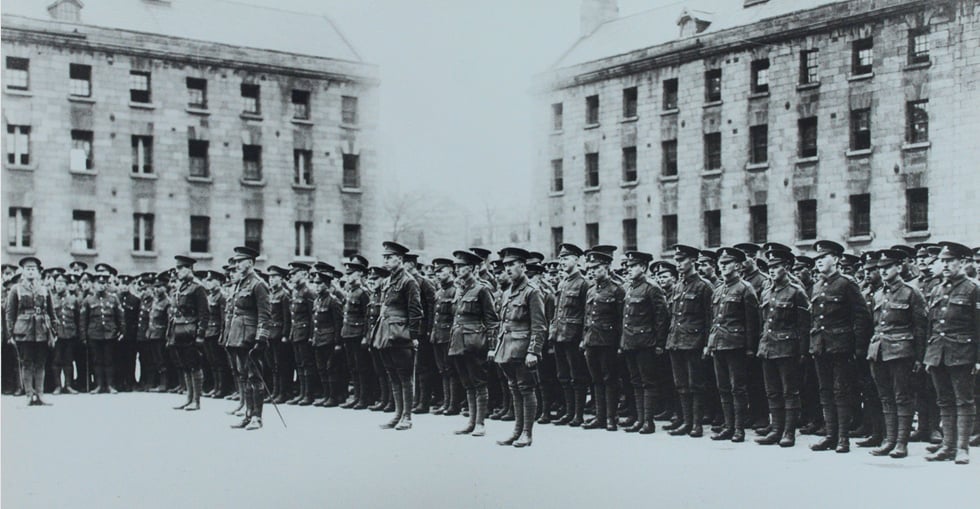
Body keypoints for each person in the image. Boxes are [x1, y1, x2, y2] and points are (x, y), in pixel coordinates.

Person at [808, 240, 873, 454]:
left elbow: (861, 317)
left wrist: (859, 348)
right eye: (816, 259)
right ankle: (830, 436)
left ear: (835, 259)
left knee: (841, 392)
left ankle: (843, 438)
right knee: (825, 392)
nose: (818, 262)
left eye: (823, 258)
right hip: (820, 346)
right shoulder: (816, 286)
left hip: (841, 347)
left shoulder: (847, 283)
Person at [866, 249, 927, 458]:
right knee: (886, 397)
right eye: (880, 268)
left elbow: (920, 328)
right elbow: (875, 325)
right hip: (879, 350)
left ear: (899, 268)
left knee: (902, 396)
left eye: (887, 267)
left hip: (902, 351)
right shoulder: (878, 294)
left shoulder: (911, 292)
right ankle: (889, 440)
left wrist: (919, 357)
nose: (882, 271)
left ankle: (901, 443)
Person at [923, 242, 979, 464]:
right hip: (938, 352)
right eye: (942, 261)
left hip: (962, 352)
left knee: (964, 400)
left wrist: (978, 359)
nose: (944, 265)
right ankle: (947, 446)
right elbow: (931, 325)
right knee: (944, 401)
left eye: (950, 261)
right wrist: (929, 355)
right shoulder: (937, 289)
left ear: (963, 262)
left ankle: (962, 448)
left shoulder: (973, 289)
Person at [491, 247, 546, 448]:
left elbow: (539, 325)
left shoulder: (532, 291)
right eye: (505, 265)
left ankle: (526, 433)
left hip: (523, 349)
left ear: (523, 266)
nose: (507, 269)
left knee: (526, 388)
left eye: (511, 265)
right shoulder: (507, 293)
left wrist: (534, 350)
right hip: (507, 347)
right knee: (514, 388)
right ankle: (516, 430)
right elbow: (503, 322)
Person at [756, 249, 810, 447]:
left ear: (786, 268)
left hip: (788, 348)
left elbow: (804, 325)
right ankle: (776, 429)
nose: (771, 271)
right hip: (768, 347)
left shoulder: (796, 292)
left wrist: (803, 352)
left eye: (776, 267)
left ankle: (789, 432)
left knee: (790, 391)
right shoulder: (766, 291)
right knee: (772, 391)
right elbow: (764, 321)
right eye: (769, 267)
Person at [706, 247, 760, 443]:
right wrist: (710, 343)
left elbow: (753, 322)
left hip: (736, 345)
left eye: (726, 263)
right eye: (720, 264)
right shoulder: (719, 289)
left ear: (737, 266)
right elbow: (713, 320)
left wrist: (749, 348)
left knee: (738, 388)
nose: (722, 267)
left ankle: (739, 429)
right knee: (723, 387)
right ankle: (728, 426)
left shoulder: (745, 288)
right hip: (719, 344)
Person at [371, 241, 423, 430]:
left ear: (399, 259)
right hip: (385, 332)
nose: (385, 260)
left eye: (389, 257)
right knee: (392, 374)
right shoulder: (387, 281)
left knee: (404, 374)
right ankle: (398, 414)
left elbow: (415, 310)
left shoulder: (409, 282)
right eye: (384, 257)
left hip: (401, 334)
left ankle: (407, 417)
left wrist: (413, 335)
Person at [665, 244, 714, 438]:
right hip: (676, 341)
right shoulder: (678, 286)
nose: (678, 264)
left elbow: (710, 318)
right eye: (676, 260)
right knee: (681, 384)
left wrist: (706, 345)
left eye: (681, 260)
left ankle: (696, 424)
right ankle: (686, 422)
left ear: (693, 261)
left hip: (694, 342)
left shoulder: (704, 286)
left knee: (696, 384)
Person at [450, 250, 500, 436]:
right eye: (456, 267)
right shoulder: (460, 289)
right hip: (458, 341)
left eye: (461, 266)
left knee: (479, 382)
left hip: (476, 342)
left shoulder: (482, 289)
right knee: (467, 383)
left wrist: (492, 347)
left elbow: (492, 320)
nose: (457, 269)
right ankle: (471, 422)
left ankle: (480, 423)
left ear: (471, 268)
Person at [225, 246, 272, 430]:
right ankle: (247, 414)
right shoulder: (241, 283)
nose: (237, 264)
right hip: (238, 335)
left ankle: (257, 418)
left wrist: (261, 338)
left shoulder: (258, 284)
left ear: (250, 262)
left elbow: (265, 314)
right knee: (244, 376)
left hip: (251, 337)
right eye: (235, 261)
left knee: (254, 376)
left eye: (240, 261)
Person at [581, 249, 625, 431]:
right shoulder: (591, 290)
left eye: (595, 267)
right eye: (589, 268)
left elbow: (622, 319)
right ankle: (599, 416)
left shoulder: (617, 289)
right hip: (592, 341)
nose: (591, 271)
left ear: (606, 267)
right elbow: (587, 317)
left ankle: (611, 417)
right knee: (596, 379)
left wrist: (620, 344)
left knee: (610, 379)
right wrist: (584, 339)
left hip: (608, 342)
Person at [5, 257, 56, 405]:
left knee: (40, 363)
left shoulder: (44, 289)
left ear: (38, 271)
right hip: (23, 331)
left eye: (33, 269)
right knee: (26, 363)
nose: (31, 272)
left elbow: (51, 312)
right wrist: (10, 333)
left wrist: (54, 331)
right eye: (28, 269)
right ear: (23, 271)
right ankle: (29, 395)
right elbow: (10, 313)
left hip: (42, 330)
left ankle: (40, 394)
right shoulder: (16, 289)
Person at [551, 243, 591, 427]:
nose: (562, 262)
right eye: (560, 258)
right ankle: (568, 412)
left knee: (577, 377)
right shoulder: (562, 282)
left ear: (576, 259)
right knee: (563, 376)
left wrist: (584, 338)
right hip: (559, 335)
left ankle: (578, 414)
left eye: (565, 258)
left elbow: (587, 313)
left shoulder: (583, 283)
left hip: (573, 337)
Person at [170, 256, 210, 411]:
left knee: (194, 365)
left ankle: (197, 401)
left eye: (181, 268)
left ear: (189, 268)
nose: (178, 271)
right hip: (180, 330)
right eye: (177, 268)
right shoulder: (182, 288)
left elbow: (204, 313)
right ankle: (189, 398)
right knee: (185, 366)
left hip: (191, 331)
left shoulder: (197, 287)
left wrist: (200, 334)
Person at [80, 272, 125, 394]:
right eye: (99, 283)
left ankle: (110, 385)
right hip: (94, 334)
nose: (101, 286)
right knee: (97, 360)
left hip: (110, 334)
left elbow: (120, 317)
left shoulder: (113, 298)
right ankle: (99, 385)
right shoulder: (88, 300)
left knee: (109, 360)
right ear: (94, 284)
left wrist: (122, 331)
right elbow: (83, 320)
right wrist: (83, 336)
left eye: (104, 283)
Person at [341, 255, 373, 409]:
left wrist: (366, 336)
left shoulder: (363, 293)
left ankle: (364, 398)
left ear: (359, 274)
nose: (348, 276)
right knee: (352, 367)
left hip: (359, 334)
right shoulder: (350, 291)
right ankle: (357, 397)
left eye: (350, 274)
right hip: (348, 333)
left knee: (362, 367)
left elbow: (368, 317)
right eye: (347, 274)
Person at [429, 257, 460, 416]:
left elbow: (456, 317)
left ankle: (453, 404)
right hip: (438, 335)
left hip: (449, 336)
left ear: (450, 270)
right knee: (443, 370)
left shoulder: (455, 290)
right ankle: (446, 402)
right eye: (436, 272)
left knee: (451, 370)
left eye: (441, 270)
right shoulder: (439, 291)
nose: (438, 274)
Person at [312, 270, 345, 406]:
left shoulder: (333, 301)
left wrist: (338, 343)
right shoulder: (317, 300)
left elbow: (338, 323)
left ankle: (333, 396)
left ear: (326, 284)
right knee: (321, 369)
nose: (316, 286)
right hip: (319, 339)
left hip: (329, 340)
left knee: (331, 369)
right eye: (315, 283)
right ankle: (326, 395)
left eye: (319, 283)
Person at [287, 262, 317, 406]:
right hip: (296, 332)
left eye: (294, 273)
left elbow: (313, 316)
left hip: (305, 333)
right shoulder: (295, 291)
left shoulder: (308, 292)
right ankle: (301, 393)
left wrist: (312, 335)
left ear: (304, 274)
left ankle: (308, 394)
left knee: (307, 364)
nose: (291, 276)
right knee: (299, 364)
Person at [51, 272, 81, 394]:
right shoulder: (51, 299)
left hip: (70, 334)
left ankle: (68, 385)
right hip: (56, 335)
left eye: (62, 283)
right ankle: (58, 386)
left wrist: (78, 334)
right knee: (56, 360)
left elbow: (78, 318)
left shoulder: (74, 300)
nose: (59, 286)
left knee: (69, 361)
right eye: (57, 283)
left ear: (67, 285)